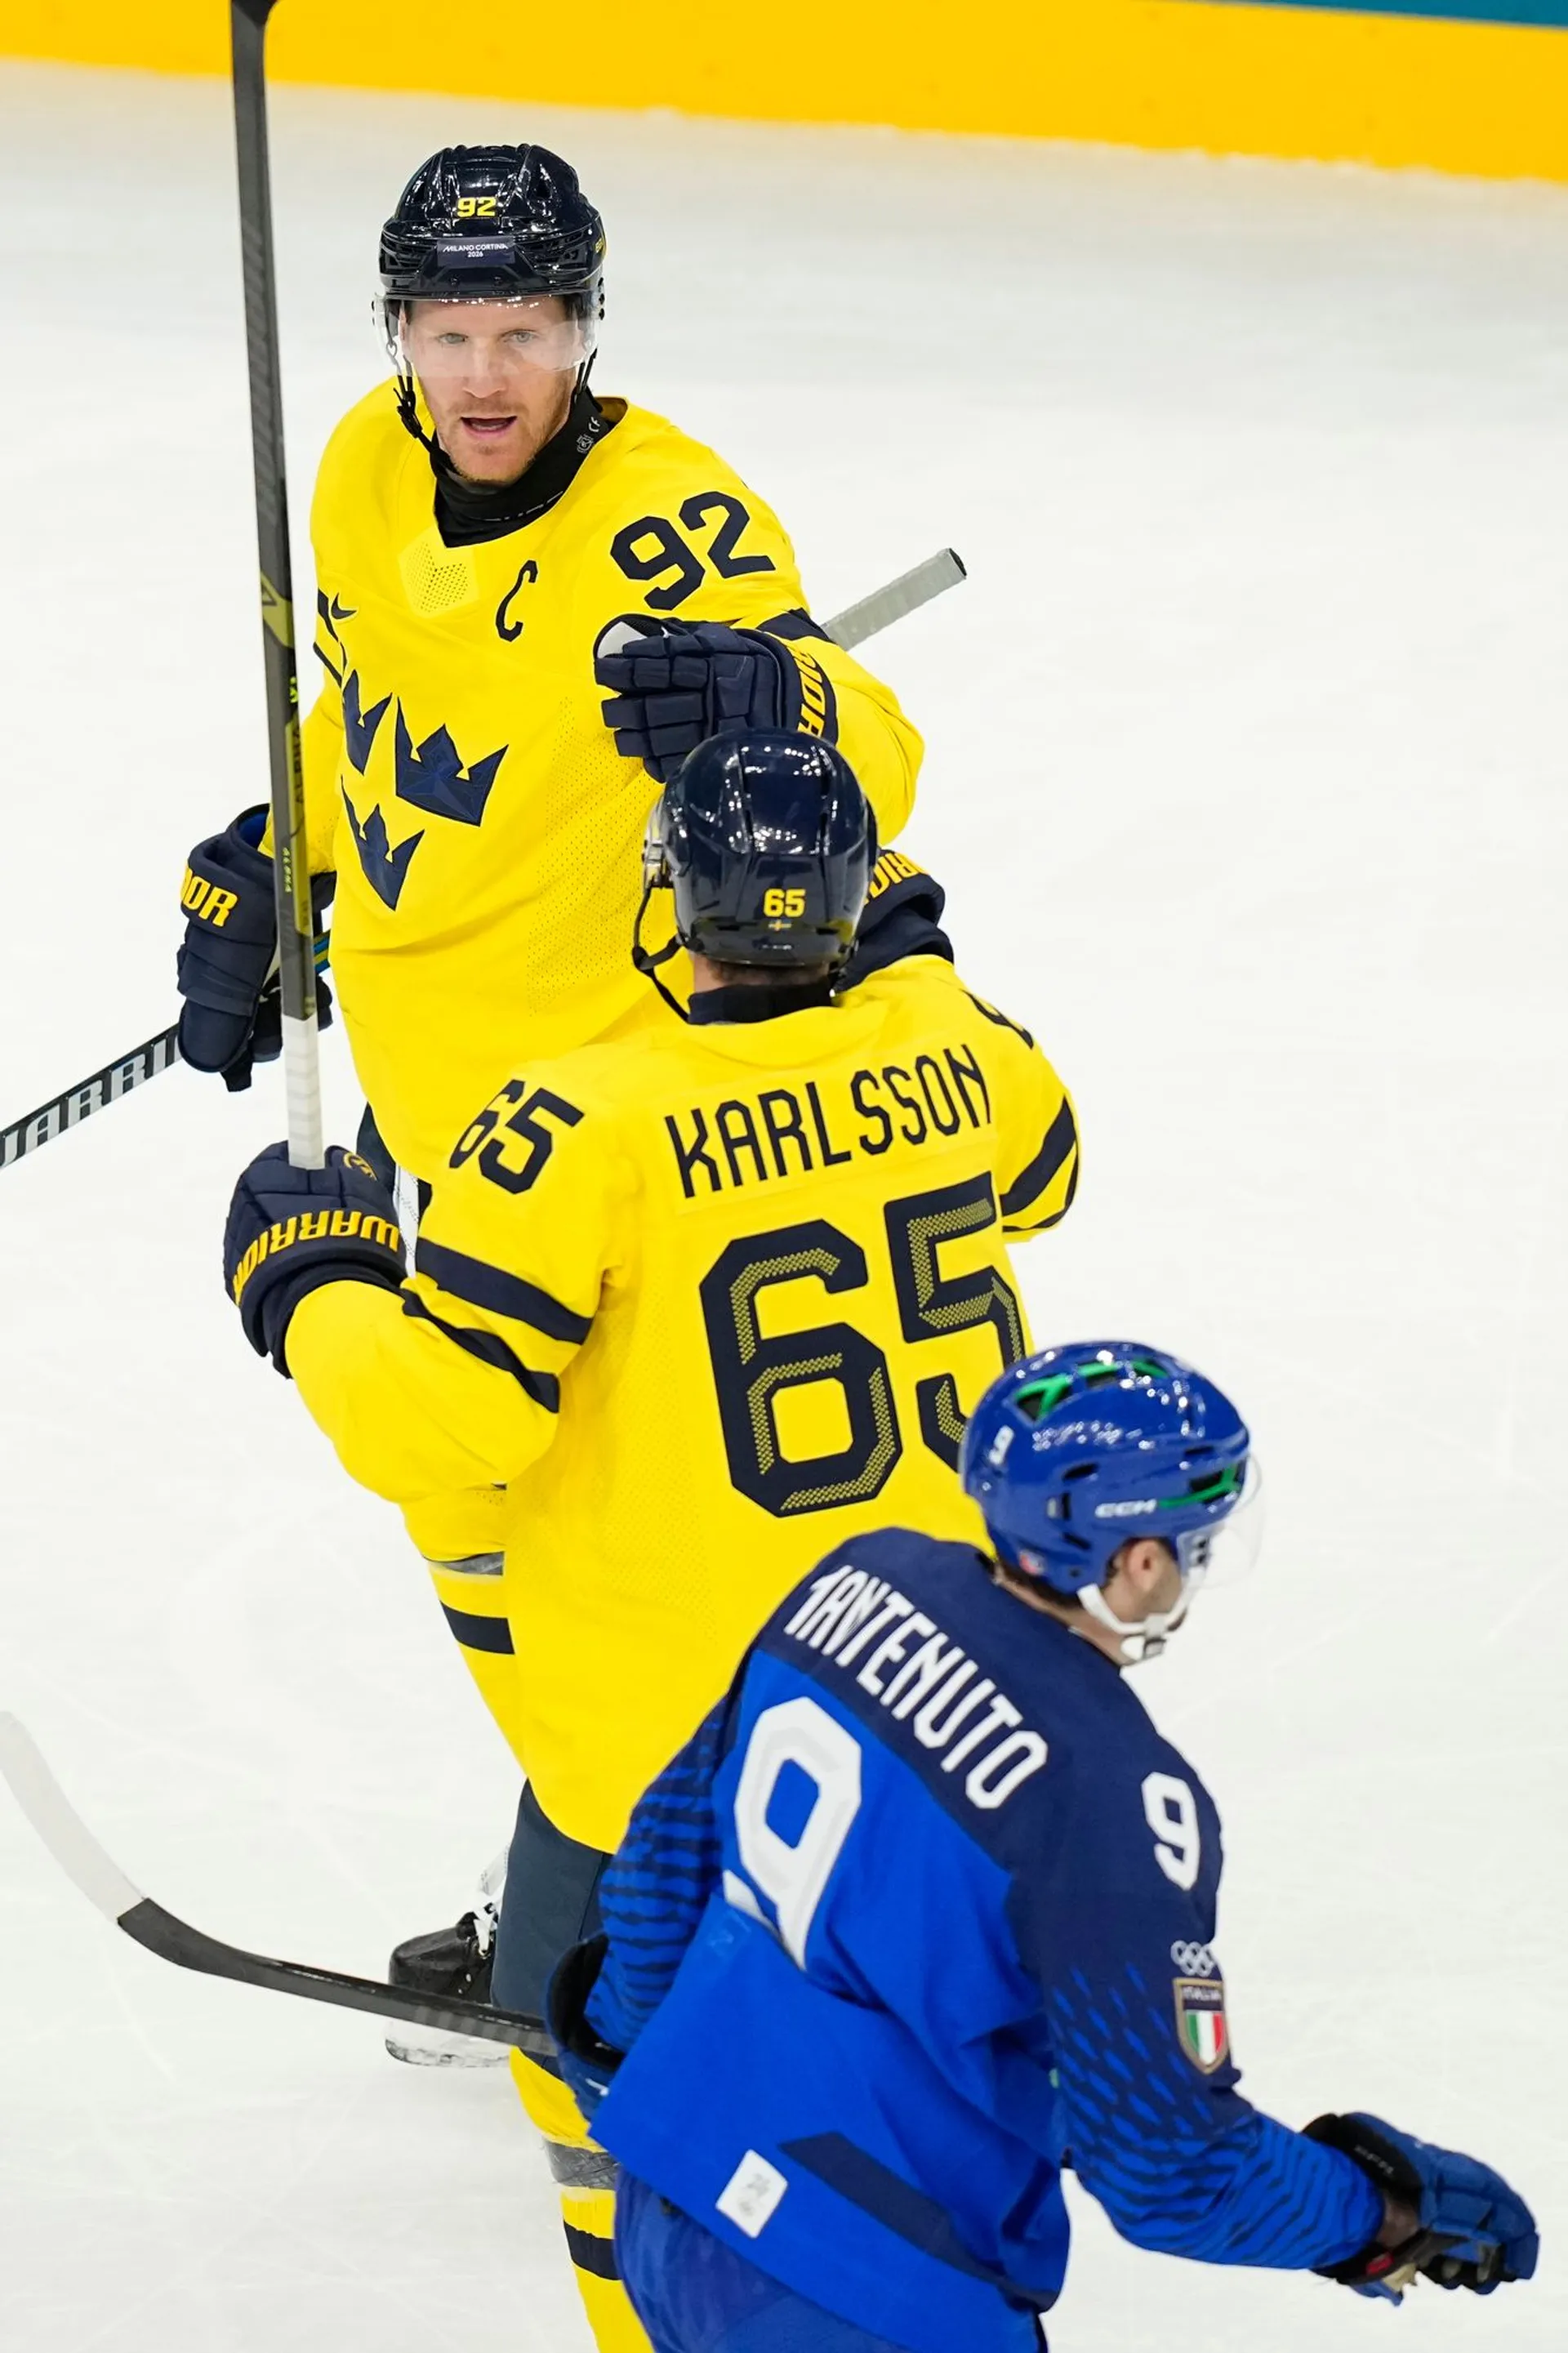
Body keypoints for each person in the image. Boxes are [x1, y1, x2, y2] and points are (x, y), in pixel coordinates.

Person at [172, 137, 927, 2071]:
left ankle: (636, 1932)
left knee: (605, 1577)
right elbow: (374, 711)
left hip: (609, 1140)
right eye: (449, 332)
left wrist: (765, 698)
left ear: (587, 332)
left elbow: (871, 753)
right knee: (486, 1553)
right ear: (398, 335)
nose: (486, 374)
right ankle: (609, 1888)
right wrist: (282, 854)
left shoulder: (671, 524)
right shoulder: (358, 466)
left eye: (525, 329)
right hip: (440, 1114)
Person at [217, 733, 1079, 2348]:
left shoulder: (580, 1121)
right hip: (955, 1722)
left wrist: (311, 1282)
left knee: (611, 2096)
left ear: (667, 897)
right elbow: (1048, 1160)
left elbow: (445, 1424)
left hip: (687, 1759)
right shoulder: (949, 1046)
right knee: (908, 2131)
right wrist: (908, 948)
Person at [543, 1345, 1538, 2353]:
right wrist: (1384, 2214)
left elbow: (660, 1867)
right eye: (1191, 1539)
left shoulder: (854, 1580)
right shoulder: (1114, 1801)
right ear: (1136, 1561)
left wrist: (636, 2061)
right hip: (866, 2290)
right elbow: (1172, 2171)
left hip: (670, 2217)